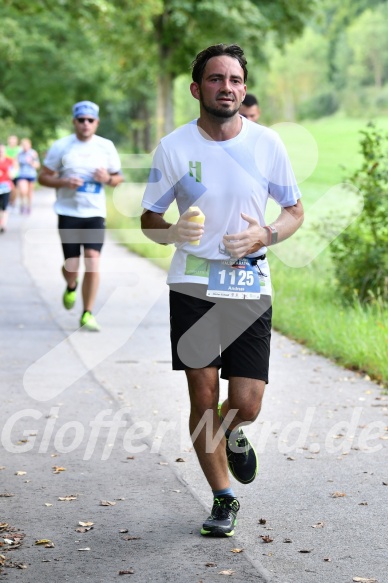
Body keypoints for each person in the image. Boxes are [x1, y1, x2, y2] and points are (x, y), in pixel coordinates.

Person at [141, 44, 304, 537]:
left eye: (235, 80)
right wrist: (170, 234)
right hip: (193, 281)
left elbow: (294, 211)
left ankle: (234, 433)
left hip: (249, 280)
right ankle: (222, 497)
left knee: (247, 402)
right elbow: (149, 219)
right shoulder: (173, 148)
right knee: (203, 392)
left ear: (243, 88)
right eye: (216, 79)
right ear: (197, 88)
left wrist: (266, 235)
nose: (227, 87)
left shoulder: (267, 144)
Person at [38, 101, 123, 332]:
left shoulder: (106, 147)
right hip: (68, 212)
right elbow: (43, 177)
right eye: (81, 120)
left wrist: (106, 178)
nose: (85, 124)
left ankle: (87, 313)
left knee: (93, 260)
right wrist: (64, 181)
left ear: (96, 123)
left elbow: (118, 179)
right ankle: (71, 284)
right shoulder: (61, 146)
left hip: (94, 213)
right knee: (72, 265)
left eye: (90, 120)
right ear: (74, 122)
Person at [16, 138, 40, 214]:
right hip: (22, 174)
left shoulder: (33, 153)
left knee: (29, 192)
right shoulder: (19, 153)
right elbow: (15, 164)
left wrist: (31, 162)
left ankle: (29, 206)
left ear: (30, 145)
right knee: (23, 191)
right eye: (24, 145)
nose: (25, 147)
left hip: (31, 174)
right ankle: (22, 204)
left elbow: (37, 165)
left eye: (27, 145)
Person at [0, 143, 16, 232]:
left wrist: (11, 174)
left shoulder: (9, 161)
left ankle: (3, 225)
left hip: (5, 186)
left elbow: (12, 173)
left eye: (2, 150)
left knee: (5, 206)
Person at [5, 135, 20, 207]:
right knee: (9, 187)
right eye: (11, 140)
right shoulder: (5, 149)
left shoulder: (19, 149)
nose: (12, 142)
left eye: (14, 140)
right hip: (7, 171)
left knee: (15, 188)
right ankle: (8, 201)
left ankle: (12, 201)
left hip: (16, 172)